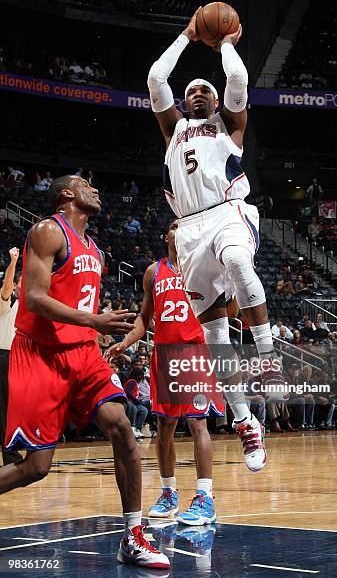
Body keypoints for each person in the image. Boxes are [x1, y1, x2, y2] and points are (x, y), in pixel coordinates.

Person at [0, 175, 169, 569]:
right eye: (85, 184)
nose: (95, 188)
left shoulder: (95, 249)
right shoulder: (47, 231)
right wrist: (94, 321)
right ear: (66, 193)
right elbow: (35, 298)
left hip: (82, 352)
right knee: (36, 467)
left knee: (122, 426)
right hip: (40, 353)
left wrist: (95, 339)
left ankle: (133, 533)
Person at [147, 8, 279, 472]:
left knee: (242, 264)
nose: (199, 93)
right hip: (189, 231)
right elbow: (155, 76)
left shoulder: (231, 126)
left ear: (217, 101)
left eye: (206, 89)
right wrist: (186, 35)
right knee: (216, 336)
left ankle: (267, 357)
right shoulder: (173, 130)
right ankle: (245, 422)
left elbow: (239, 78)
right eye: (193, 91)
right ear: (184, 104)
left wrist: (224, 43)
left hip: (228, 210)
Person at [105, 219, 224, 525]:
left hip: (193, 352)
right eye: (173, 225)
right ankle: (169, 492)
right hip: (164, 356)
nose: (178, 229)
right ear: (166, 234)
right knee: (165, 428)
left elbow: (228, 310)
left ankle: (205, 497)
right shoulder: (153, 272)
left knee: (198, 423)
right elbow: (145, 319)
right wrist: (125, 343)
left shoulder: (202, 267)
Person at [0, 247, 23, 466]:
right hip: (3, 358)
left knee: (12, 409)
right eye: (20, 282)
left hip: (19, 360)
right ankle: (10, 455)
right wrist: (13, 261)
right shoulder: (8, 303)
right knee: (6, 410)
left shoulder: (30, 308)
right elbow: (6, 287)